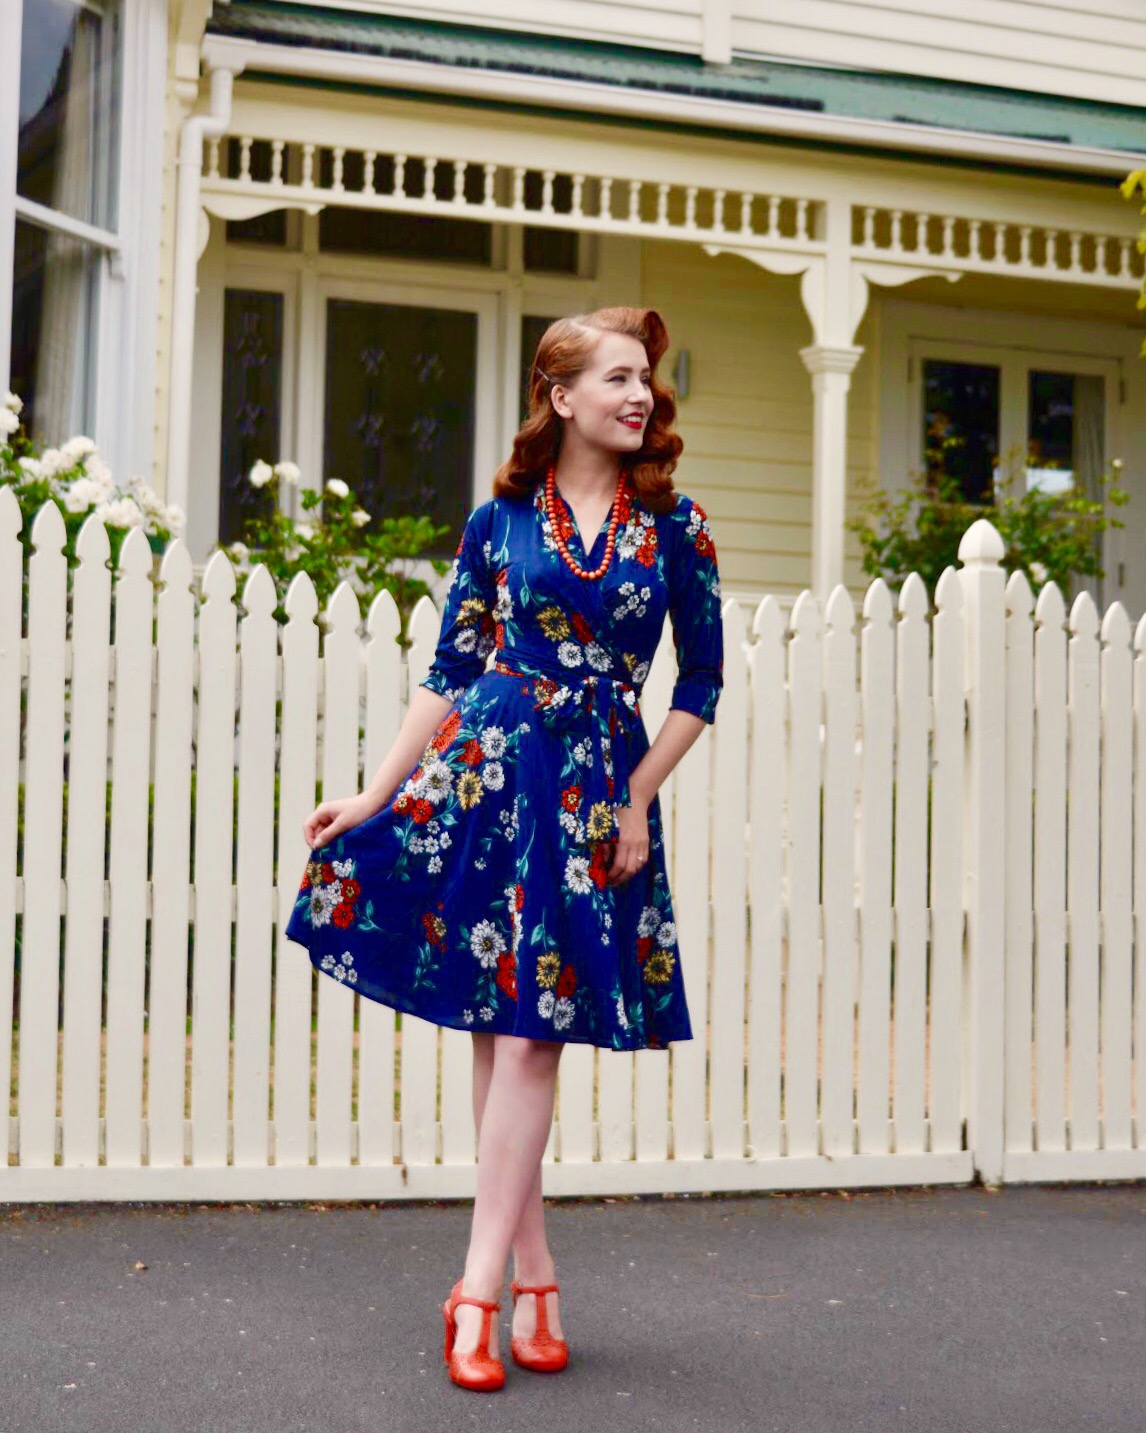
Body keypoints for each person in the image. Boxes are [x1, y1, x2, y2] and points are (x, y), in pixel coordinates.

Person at [284, 305, 723, 1392]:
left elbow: (702, 683)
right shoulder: (501, 522)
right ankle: (522, 1280)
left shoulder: (676, 526)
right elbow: (450, 670)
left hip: (593, 795)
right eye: (617, 376)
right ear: (560, 396)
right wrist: (374, 793)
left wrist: (634, 799)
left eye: (646, 378)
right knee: (505, 1034)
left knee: (532, 1038)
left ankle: (480, 1288)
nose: (639, 394)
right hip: (489, 775)